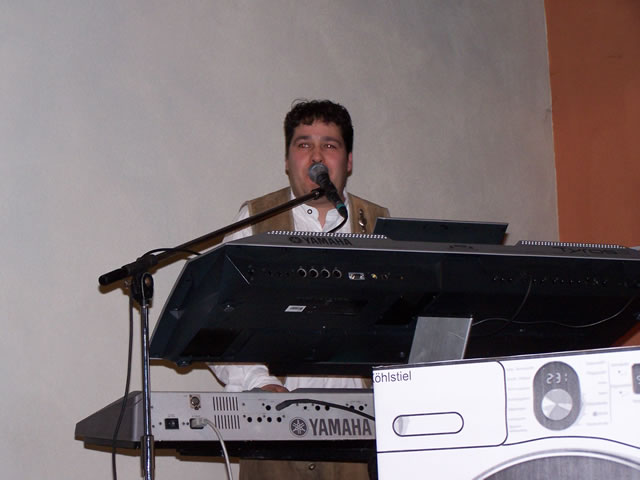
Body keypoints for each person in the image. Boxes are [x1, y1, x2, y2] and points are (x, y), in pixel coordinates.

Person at [210, 99, 389, 479]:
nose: (316, 156)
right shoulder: (255, 221)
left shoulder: (379, 224)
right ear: (288, 161)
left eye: (330, 145)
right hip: (273, 432)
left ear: (348, 161)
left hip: (360, 435)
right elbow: (217, 320)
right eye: (304, 144)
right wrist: (260, 383)